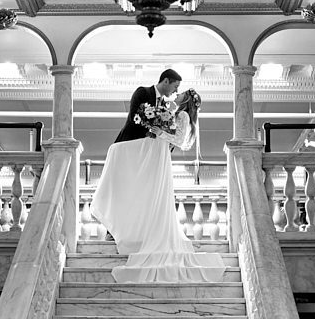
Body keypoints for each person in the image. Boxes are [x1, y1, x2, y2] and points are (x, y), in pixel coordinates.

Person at [91, 81, 226, 283]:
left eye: (180, 95)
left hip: (159, 152)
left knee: (123, 159)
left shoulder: (183, 115)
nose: (176, 95)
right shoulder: (174, 111)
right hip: (157, 152)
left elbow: (179, 140)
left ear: (186, 99)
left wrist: (157, 130)